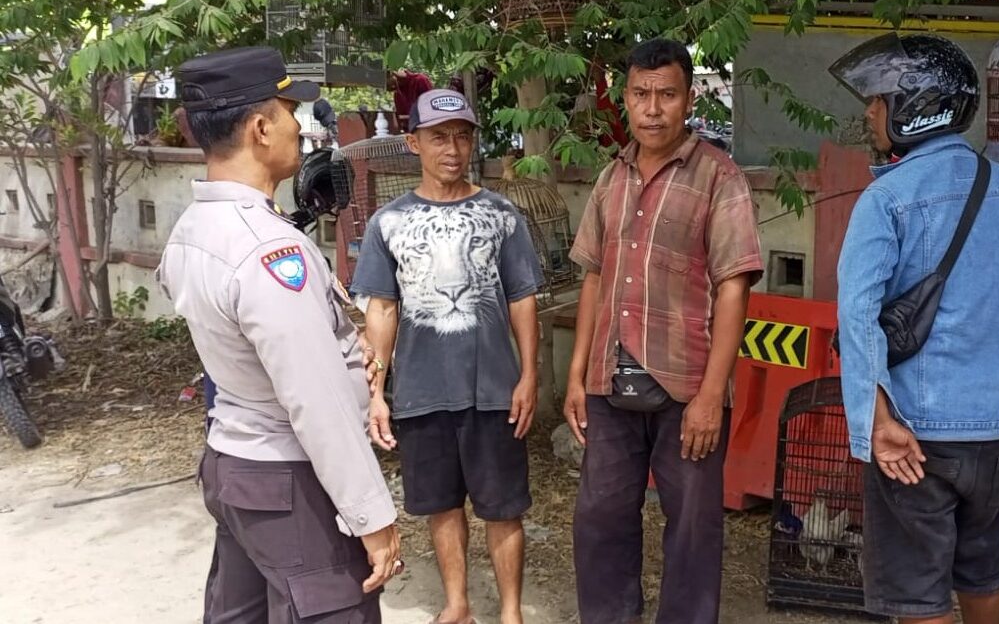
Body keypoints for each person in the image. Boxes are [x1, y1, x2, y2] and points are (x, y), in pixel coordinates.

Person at [157, 46, 401, 624]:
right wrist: (373, 516)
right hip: (288, 477)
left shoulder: (192, 229)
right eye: (290, 111)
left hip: (235, 462)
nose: (299, 124)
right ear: (262, 128)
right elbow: (313, 403)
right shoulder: (269, 250)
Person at [565, 37, 764, 624]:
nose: (653, 108)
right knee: (600, 518)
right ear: (625, 98)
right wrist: (576, 375)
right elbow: (594, 279)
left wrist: (710, 396)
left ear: (688, 98)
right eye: (641, 94)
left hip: (686, 390)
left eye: (667, 95)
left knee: (693, 532)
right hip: (608, 382)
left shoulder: (719, 178)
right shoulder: (610, 178)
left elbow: (735, 287)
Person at [833, 33, 999, 624]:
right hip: (998, 433)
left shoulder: (887, 198)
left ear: (916, 108)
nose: (869, 111)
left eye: (879, 99)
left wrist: (878, 421)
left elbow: (858, 315)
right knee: (983, 567)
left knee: (917, 593)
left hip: (916, 435)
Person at [350, 88, 543, 624]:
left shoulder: (502, 214)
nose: (452, 148)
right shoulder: (387, 223)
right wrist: (376, 392)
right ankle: (457, 604)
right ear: (413, 142)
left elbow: (522, 298)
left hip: (493, 390)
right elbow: (382, 308)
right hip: (419, 390)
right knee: (440, 504)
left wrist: (529, 375)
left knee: (504, 508)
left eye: (462, 135)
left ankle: (510, 613)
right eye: (439, 136)